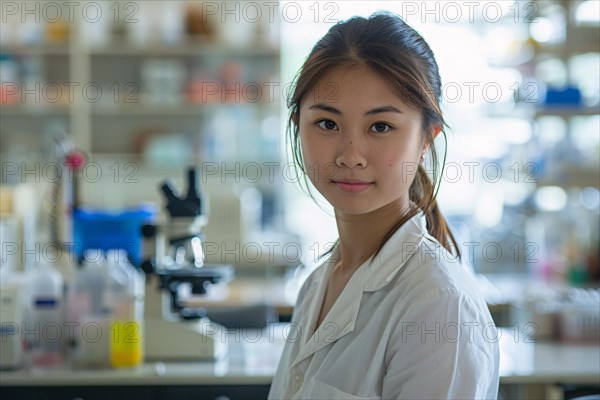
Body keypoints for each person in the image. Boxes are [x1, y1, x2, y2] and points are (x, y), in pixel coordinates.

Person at [268, 11, 500, 400]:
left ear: (427, 138)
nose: (350, 155)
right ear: (297, 125)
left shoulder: (438, 306)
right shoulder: (318, 285)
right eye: (327, 123)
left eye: (380, 127)